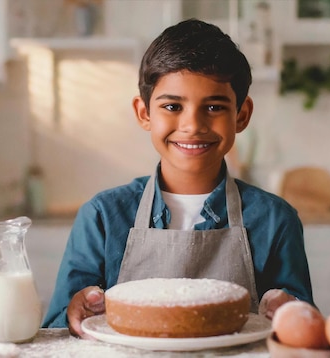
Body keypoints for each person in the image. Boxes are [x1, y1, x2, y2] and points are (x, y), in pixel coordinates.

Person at [42, 18, 314, 338]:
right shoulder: (102, 216)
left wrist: (290, 310)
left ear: (241, 115)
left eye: (213, 107)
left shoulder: (275, 220)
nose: (192, 125)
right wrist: (75, 312)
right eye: (172, 106)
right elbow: (57, 330)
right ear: (144, 113)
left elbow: (304, 330)